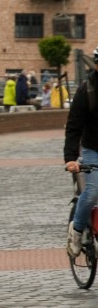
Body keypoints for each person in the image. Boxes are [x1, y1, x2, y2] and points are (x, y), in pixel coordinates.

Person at [64, 49, 98, 257]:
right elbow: (73, 127)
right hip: (93, 148)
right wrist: (70, 159)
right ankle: (76, 230)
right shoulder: (88, 91)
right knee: (93, 190)